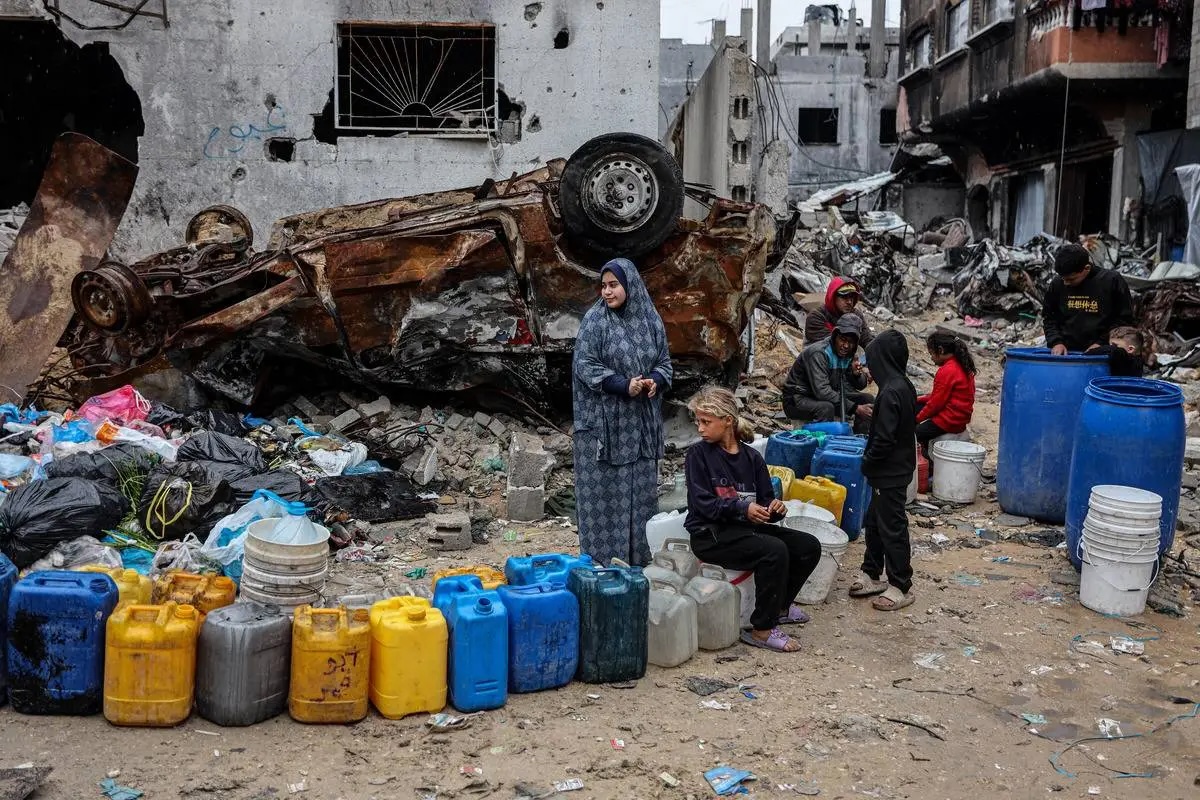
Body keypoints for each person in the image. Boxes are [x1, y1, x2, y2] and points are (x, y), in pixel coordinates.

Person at [683, 386, 822, 653]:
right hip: (710, 535)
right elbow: (703, 505)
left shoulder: (752, 458)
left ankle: (780, 607)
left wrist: (775, 508)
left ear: (727, 422)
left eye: (705, 422)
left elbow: (766, 500)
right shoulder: (698, 456)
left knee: (808, 546)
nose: (700, 428)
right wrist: (742, 509)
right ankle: (762, 629)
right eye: (698, 421)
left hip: (743, 529)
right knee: (774, 551)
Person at [572, 258, 672, 566]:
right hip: (605, 432)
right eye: (603, 286)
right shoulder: (595, 321)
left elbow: (665, 363)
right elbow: (584, 366)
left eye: (613, 285)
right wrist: (621, 384)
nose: (607, 292)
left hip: (639, 429)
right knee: (606, 501)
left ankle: (639, 565)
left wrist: (655, 381)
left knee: (641, 501)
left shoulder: (650, 320)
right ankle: (602, 567)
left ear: (630, 285)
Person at [850, 330, 917, 612]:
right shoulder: (901, 385)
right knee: (875, 521)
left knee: (892, 527)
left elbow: (884, 439)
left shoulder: (891, 393)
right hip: (890, 471)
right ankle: (872, 571)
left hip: (889, 472)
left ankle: (900, 584)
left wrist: (868, 462)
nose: (870, 367)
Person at [783, 315, 874, 429]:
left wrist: (856, 375)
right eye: (843, 340)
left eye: (851, 342)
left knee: (867, 399)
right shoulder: (819, 353)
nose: (846, 346)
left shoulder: (848, 353)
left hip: (823, 395)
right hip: (797, 399)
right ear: (835, 336)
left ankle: (859, 440)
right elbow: (822, 391)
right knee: (826, 408)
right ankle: (822, 442)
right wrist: (856, 408)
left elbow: (859, 386)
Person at [1043, 244, 1135, 354]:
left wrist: (1101, 344)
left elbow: (1124, 320)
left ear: (1086, 268)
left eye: (1071, 279)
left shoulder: (1111, 281)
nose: (1066, 283)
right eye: (1063, 278)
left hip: (1103, 353)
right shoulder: (1057, 284)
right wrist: (1056, 342)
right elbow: (1049, 317)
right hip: (1067, 353)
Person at [915, 332, 976, 453]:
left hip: (949, 421)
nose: (931, 358)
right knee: (916, 405)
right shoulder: (962, 365)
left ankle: (927, 462)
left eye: (931, 353)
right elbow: (940, 396)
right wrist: (919, 399)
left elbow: (935, 404)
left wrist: (917, 419)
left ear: (941, 350)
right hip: (959, 418)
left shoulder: (947, 371)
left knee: (914, 434)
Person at [804, 276, 875, 346]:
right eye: (844, 297)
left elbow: (867, 339)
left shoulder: (856, 316)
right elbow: (833, 344)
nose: (849, 302)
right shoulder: (817, 316)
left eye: (852, 297)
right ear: (833, 297)